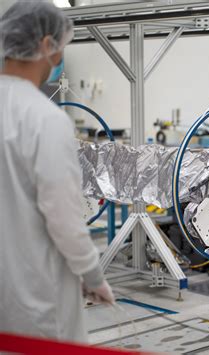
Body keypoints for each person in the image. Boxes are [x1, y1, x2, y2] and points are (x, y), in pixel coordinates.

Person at [0, 1, 114, 343]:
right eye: (61, 47)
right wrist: (93, 275)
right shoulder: (45, 119)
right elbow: (64, 219)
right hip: (36, 299)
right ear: (47, 45)